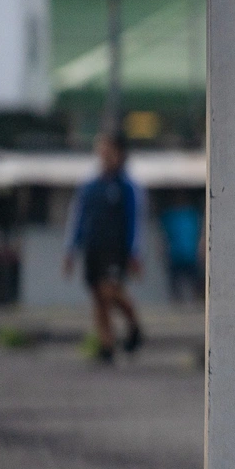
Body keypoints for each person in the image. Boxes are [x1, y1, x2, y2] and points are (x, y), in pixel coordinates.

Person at [63, 130, 145, 363]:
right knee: (98, 296)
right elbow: (78, 218)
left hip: (115, 249)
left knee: (110, 291)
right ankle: (106, 344)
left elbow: (135, 220)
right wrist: (70, 249)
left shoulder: (127, 186)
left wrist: (134, 252)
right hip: (93, 247)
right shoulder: (89, 185)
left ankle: (134, 325)